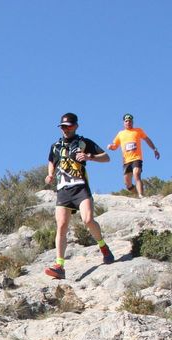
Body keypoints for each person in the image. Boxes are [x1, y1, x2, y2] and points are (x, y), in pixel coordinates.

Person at [44, 112, 114, 280]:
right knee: (61, 225)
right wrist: (50, 174)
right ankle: (59, 266)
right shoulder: (56, 146)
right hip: (63, 189)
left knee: (88, 220)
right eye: (63, 127)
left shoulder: (84, 142)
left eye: (68, 126)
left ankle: (103, 247)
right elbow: (51, 160)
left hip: (80, 187)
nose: (65, 129)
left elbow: (106, 157)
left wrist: (90, 157)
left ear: (75, 126)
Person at [106, 113, 160, 198]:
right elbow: (115, 146)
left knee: (136, 174)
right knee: (128, 184)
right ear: (124, 123)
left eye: (130, 121)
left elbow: (147, 139)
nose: (128, 122)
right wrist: (111, 147)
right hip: (126, 161)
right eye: (126, 121)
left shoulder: (138, 130)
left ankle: (141, 195)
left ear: (132, 122)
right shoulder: (120, 134)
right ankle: (137, 194)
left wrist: (154, 149)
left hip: (137, 158)